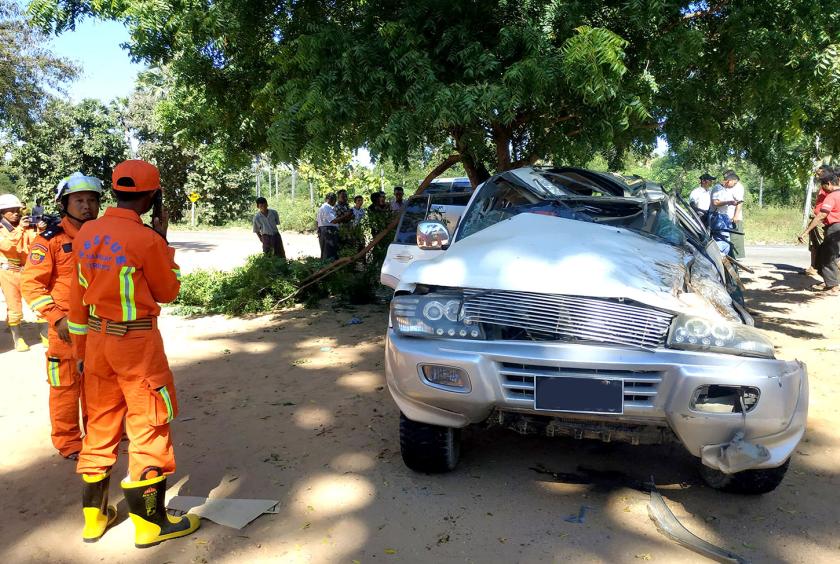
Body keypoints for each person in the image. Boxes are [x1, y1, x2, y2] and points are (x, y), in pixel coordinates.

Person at [68, 160, 200, 546]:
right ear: (152, 196)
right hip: (136, 345)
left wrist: (81, 351)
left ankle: (94, 519)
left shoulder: (87, 233)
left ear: (114, 191)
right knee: (148, 426)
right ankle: (150, 524)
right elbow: (168, 291)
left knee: (100, 426)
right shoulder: (145, 240)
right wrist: (163, 240)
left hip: (96, 344)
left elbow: (77, 301)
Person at [21, 173, 102, 460]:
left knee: (99, 385)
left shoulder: (105, 237)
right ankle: (69, 443)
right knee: (66, 388)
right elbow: (31, 283)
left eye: (92, 200)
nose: (87, 206)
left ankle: (98, 438)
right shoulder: (50, 241)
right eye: (79, 200)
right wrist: (56, 317)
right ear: (64, 204)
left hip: (100, 327)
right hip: (64, 330)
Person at [0, 193, 38, 351]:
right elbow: (8, 246)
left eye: (17, 209)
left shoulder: (25, 226)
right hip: (8, 271)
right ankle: (18, 339)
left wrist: (37, 230)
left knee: (37, 301)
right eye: (11, 210)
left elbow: (33, 244)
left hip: (26, 269)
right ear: (2, 213)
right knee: (14, 305)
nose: (16, 212)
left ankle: (44, 334)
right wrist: (21, 229)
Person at [799, 169, 840, 295]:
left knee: (828, 257)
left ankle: (833, 286)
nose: (822, 188)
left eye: (822, 185)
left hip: (834, 228)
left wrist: (806, 232)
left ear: (828, 183)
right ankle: (830, 281)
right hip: (836, 228)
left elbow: (822, 215)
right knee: (824, 254)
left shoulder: (832, 196)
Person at [804, 165, 831, 275]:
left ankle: (825, 271)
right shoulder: (821, 186)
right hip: (816, 219)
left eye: (819, 174)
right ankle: (813, 267)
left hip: (821, 220)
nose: (817, 176)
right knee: (814, 245)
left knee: (823, 245)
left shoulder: (829, 186)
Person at [723, 171, 746, 258]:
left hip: (734, 216)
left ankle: (736, 258)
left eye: (726, 177)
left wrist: (736, 215)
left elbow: (739, 202)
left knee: (735, 238)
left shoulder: (738, 187)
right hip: (726, 215)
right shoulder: (729, 186)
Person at [316, 192, 339, 261]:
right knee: (329, 251)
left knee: (326, 251)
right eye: (335, 199)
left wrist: (318, 230)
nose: (335, 202)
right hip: (328, 230)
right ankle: (328, 268)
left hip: (324, 230)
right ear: (331, 200)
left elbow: (316, 221)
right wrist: (345, 216)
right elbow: (333, 220)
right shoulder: (326, 208)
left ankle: (326, 267)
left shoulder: (323, 207)